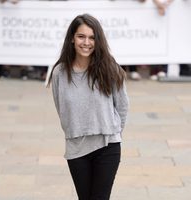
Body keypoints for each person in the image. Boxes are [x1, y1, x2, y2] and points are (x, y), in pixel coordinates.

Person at [47, 14, 129, 200]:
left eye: (92, 37)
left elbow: (122, 107)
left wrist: (114, 133)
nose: (86, 42)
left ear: (98, 40)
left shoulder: (110, 69)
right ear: (71, 39)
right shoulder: (60, 72)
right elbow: (61, 108)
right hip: (76, 148)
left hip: (107, 145)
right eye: (81, 36)